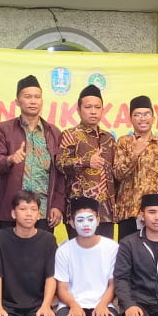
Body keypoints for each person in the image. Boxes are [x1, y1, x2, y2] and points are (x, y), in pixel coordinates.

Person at [0, 75, 64, 232]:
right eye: (28, 97)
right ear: (17, 101)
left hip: (43, 211)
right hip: (13, 209)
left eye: (37, 97)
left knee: (42, 247)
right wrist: (10, 159)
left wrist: (57, 205)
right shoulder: (4, 129)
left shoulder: (53, 132)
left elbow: (60, 174)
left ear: (42, 101)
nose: (33, 101)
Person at [0, 190, 57, 316]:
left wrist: (46, 306)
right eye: (23, 209)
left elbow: (51, 276)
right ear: (13, 214)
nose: (29, 214)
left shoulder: (48, 240)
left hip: (36, 304)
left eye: (33, 209)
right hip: (8, 304)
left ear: (39, 214)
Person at [54, 196, 119, 316]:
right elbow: (62, 288)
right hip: (71, 303)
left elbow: (113, 284)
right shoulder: (64, 250)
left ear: (98, 220)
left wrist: (102, 305)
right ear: (72, 223)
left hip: (101, 302)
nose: (86, 224)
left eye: (90, 219)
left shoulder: (111, 247)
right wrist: (73, 305)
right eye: (80, 220)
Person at [57, 84, 116, 239]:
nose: (93, 111)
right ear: (78, 110)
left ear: (103, 110)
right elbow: (60, 164)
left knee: (106, 252)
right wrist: (86, 162)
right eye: (88, 107)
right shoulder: (70, 135)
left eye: (97, 107)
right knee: (79, 252)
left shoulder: (109, 138)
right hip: (79, 210)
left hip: (105, 212)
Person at [113, 95, 158, 240]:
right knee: (127, 252)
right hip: (127, 213)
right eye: (137, 115)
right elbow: (118, 174)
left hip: (154, 215)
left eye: (146, 114)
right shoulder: (123, 142)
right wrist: (134, 154)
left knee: (152, 253)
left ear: (153, 118)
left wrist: (153, 209)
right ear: (131, 119)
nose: (142, 119)